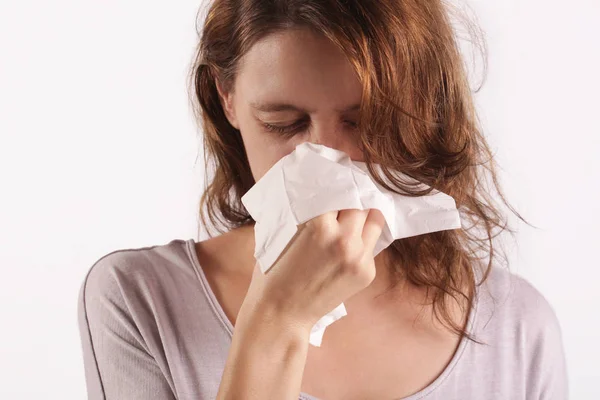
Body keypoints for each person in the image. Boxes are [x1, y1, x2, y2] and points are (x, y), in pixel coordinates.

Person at [77, 0, 569, 399]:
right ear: (226, 98)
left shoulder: (515, 327)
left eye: (364, 120)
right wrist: (278, 320)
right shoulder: (139, 301)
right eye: (284, 124)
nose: (326, 157)